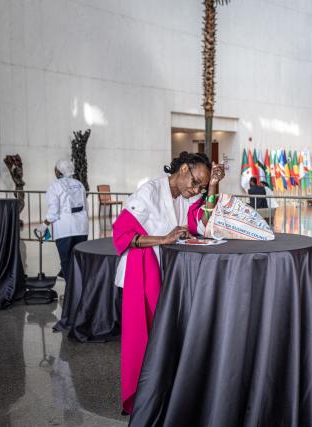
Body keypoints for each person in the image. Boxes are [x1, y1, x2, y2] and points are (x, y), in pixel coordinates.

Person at [112, 151, 224, 414]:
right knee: (146, 338)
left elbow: (204, 221)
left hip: (165, 276)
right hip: (139, 275)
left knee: (164, 337)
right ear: (183, 169)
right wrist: (162, 239)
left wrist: (214, 186)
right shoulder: (149, 192)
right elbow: (121, 234)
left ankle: (162, 389)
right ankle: (142, 395)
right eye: (196, 182)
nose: (196, 189)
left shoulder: (187, 196)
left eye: (202, 186)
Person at [35, 160, 89, 283]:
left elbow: (54, 210)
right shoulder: (79, 184)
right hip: (81, 228)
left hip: (65, 229)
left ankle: (71, 291)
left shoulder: (55, 186)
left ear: (58, 171)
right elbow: (86, 207)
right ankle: (81, 288)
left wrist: (45, 224)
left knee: (66, 260)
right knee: (79, 259)